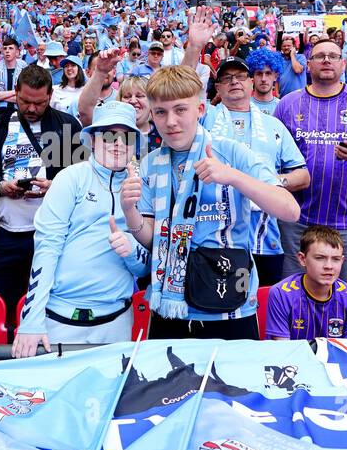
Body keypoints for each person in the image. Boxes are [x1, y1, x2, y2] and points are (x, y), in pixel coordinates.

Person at [120, 66, 299, 340]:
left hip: (229, 303)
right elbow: (150, 238)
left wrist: (233, 177)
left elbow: (290, 210)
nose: (170, 122)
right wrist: (130, 212)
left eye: (180, 110)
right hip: (171, 307)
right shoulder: (149, 163)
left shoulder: (231, 152)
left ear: (200, 110)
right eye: (161, 112)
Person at [12, 102, 149, 356]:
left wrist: (131, 250)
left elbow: (145, 267)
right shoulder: (70, 177)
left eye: (126, 136)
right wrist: (31, 319)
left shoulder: (142, 186)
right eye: (109, 135)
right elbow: (47, 247)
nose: (118, 143)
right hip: (60, 320)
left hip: (116, 321)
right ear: (94, 140)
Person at [0, 64, 83, 334]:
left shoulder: (64, 125)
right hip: (6, 234)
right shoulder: (0, 125)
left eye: (39, 103)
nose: (31, 109)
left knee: (49, 301)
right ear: (16, 94)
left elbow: (81, 173)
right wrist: (0, 185)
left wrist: (56, 186)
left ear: (50, 96)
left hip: (51, 235)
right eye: (24, 101)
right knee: (5, 303)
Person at [274, 37, 347, 283]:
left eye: (333, 56)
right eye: (319, 56)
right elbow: (273, 157)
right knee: (293, 290)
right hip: (295, 216)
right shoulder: (287, 104)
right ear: (308, 64)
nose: (326, 60)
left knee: (337, 292)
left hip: (344, 217)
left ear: (343, 64)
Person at [203, 57, 309, 286]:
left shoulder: (273, 125)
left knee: (262, 303)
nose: (234, 82)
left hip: (264, 236)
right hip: (214, 234)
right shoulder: (204, 119)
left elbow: (302, 175)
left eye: (240, 77)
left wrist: (267, 183)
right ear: (218, 87)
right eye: (226, 78)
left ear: (251, 83)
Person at [265, 226, 347, 341]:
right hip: (293, 358)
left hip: (335, 359)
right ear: (302, 259)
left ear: (342, 261)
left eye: (336, 259)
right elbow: (283, 350)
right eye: (320, 258)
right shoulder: (281, 294)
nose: (329, 266)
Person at [0, 37, 24, 119]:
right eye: (5, 48)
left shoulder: (24, 71)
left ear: (17, 52)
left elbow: (24, 98)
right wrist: (16, 92)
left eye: (10, 48)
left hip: (19, 114)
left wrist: (0, 96)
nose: (7, 51)